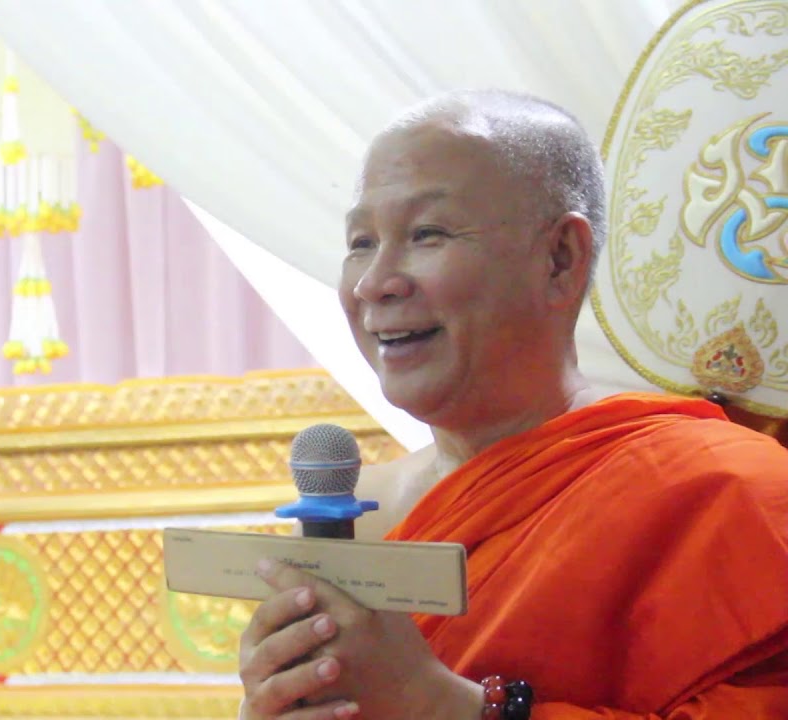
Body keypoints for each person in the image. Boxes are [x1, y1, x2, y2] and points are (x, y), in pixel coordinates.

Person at [237, 89, 788, 719]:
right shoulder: (357, 514)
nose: (374, 283)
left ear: (560, 259)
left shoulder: (727, 495)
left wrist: (445, 706)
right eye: (361, 242)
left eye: (426, 233)